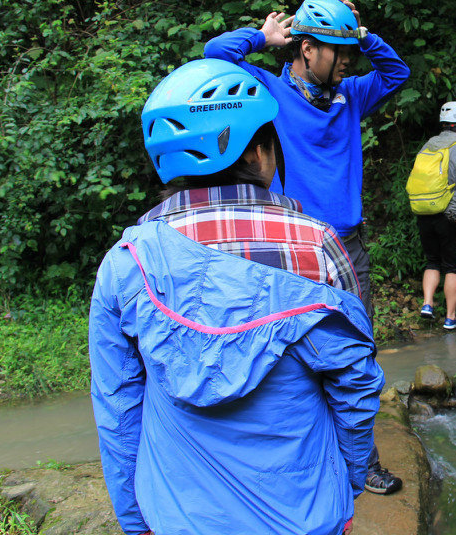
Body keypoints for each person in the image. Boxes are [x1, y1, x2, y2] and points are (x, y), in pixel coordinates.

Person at [89, 59, 383, 535]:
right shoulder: (319, 246)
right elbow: (355, 386)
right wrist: (346, 484)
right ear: (259, 153)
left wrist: (134, 517)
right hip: (305, 515)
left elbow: (118, 407)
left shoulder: (128, 263)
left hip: (179, 518)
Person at [204, 0, 407, 494]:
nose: (345, 63)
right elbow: (214, 57)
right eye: (335, 52)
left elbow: (397, 72)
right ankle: (298, 461)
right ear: (305, 49)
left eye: (348, 53)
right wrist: (262, 37)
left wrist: (360, 34)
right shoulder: (270, 91)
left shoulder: (352, 94)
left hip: (348, 247)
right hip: (287, 248)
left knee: (356, 353)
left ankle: (363, 464)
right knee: (288, 355)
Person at [413, 100, 456, 331]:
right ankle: (450, 318)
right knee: (451, 266)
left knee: (432, 261)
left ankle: (428, 304)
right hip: (449, 215)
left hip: (423, 212)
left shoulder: (428, 145)